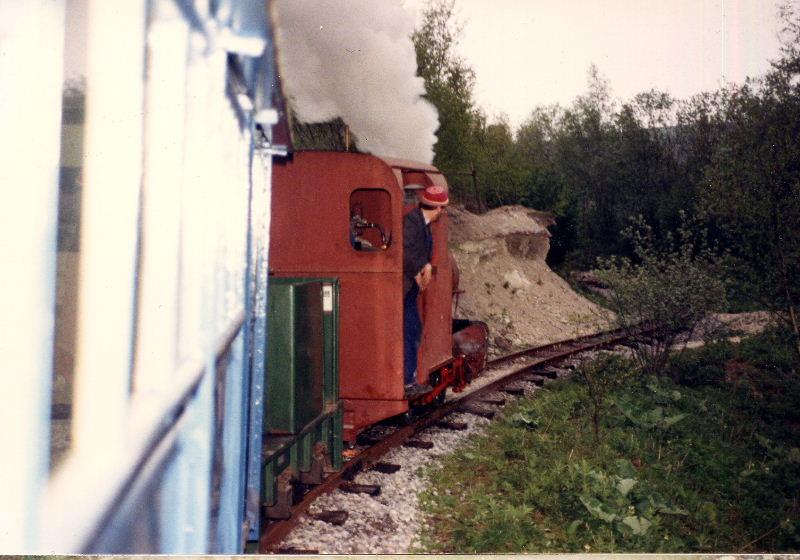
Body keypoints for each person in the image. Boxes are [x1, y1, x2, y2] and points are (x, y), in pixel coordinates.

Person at [402, 184, 449, 398]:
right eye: (442, 208)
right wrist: (415, 274)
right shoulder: (412, 222)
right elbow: (404, 252)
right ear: (436, 208)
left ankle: (409, 379)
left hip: (410, 289)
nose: (443, 212)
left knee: (413, 330)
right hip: (403, 288)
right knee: (411, 330)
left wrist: (428, 266)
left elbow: (422, 253)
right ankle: (407, 382)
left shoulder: (424, 224)